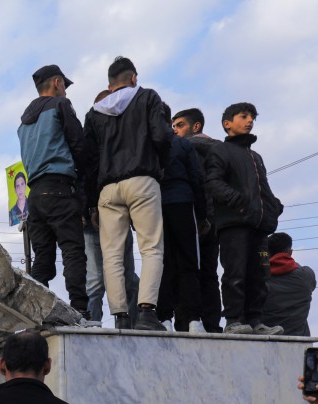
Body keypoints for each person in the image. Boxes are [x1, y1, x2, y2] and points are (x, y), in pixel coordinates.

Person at [83, 56, 171, 331]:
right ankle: (146, 312)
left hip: (107, 189)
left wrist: (91, 204)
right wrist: (160, 166)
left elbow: (89, 160)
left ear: (110, 86)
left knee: (112, 255)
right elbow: (161, 137)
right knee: (151, 248)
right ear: (133, 77)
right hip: (142, 179)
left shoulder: (94, 112)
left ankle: (120, 316)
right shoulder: (147, 98)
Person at [204, 102, 285, 335]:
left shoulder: (256, 156)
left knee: (259, 275)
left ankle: (256, 321)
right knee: (235, 274)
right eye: (243, 116)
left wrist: (275, 207)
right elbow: (212, 182)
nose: (249, 121)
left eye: (252, 118)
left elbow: (265, 189)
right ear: (227, 123)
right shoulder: (220, 150)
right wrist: (238, 201)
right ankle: (233, 321)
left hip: (259, 226)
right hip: (234, 224)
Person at [17, 64, 91, 316]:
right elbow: (79, 145)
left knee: (42, 259)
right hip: (59, 187)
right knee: (72, 249)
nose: (66, 92)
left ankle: (37, 315)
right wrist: (84, 183)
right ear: (57, 83)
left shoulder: (24, 122)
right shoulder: (61, 106)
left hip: (34, 196)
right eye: (65, 86)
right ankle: (80, 310)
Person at [155, 106, 209, 332]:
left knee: (161, 261)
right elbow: (197, 179)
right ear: (169, 121)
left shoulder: (149, 144)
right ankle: (194, 319)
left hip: (155, 205)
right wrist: (202, 214)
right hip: (183, 204)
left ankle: (164, 318)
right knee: (189, 262)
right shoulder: (183, 144)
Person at [171, 107, 224, 332]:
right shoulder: (222, 150)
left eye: (179, 125)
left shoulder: (183, 150)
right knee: (210, 274)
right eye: (172, 126)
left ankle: (185, 322)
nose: (174, 130)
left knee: (184, 270)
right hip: (216, 220)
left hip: (190, 217)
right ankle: (212, 324)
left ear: (196, 126)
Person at [261, 232, 316, 336]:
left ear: (267, 252)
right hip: (299, 341)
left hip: (263, 341)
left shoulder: (257, 280)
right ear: (290, 252)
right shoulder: (306, 276)